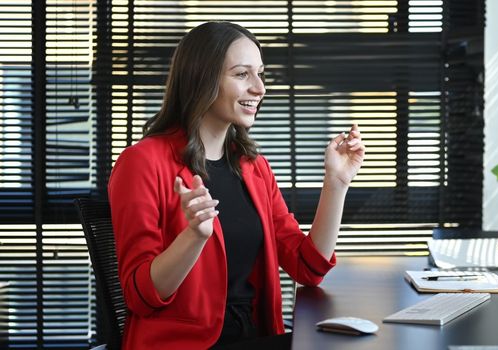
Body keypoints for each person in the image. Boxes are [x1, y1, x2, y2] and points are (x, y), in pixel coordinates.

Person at [107, 21, 365, 350]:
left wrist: (337, 183)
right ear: (202, 79)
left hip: (256, 335)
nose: (260, 88)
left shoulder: (253, 167)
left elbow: (308, 266)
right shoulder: (142, 162)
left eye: (260, 73)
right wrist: (193, 237)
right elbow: (140, 296)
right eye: (242, 74)